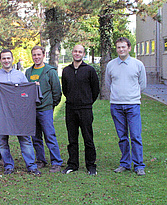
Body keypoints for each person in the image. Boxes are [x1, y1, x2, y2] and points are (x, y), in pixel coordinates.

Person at [0, 49, 41, 175]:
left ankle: (31, 166)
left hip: (19, 113)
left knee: (25, 138)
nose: (6, 61)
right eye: (3, 58)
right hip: (2, 113)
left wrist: (34, 87)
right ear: (0, 60)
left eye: (8, 58)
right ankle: (8, 165)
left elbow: (27, 92)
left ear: (12, 59)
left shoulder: (20, 75)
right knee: (2, 141)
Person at [105, 37, 147, 176]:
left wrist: (131, 96)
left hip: (133, 105)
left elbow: (143, 84)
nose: (121, 49)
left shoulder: (138, 64)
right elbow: (108, 84)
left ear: (129, 48)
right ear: (116, 49)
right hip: (116, 105)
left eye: (123, 47)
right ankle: (125, 163)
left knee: (135, 136)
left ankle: (139, 165)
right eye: (118, 47)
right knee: (122, 137)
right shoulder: (111, 65)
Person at [61, 44, 100, 175]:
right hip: (70, 108)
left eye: (80, 52)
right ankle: (72, 164)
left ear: (83, 54)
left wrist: (87, 101)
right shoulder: (66, 70)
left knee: (88, 138)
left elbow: (95, 90)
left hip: (85, 109)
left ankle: (91, 165)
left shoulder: (89, 70)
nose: (77, 53)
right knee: (72, 139)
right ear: (72, 53)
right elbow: (65, 89)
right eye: (75, 51)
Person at [25, 45, 63, 173]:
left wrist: (51, 105)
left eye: (38, 54)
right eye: (34, 55)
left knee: (49, 135)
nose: (36, 57)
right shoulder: (28, 72)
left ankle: (56, 162)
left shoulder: (50, 71)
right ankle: (41, 160)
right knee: (35, 137)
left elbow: (57, 91)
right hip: (32, 110)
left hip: (45, 109)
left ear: (43, 54)